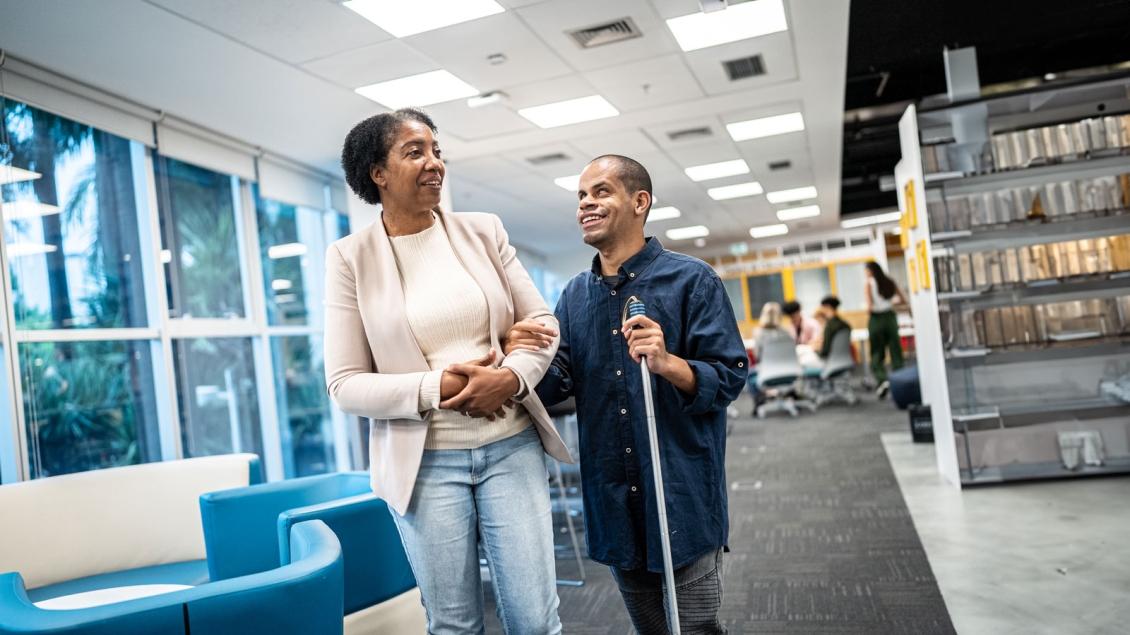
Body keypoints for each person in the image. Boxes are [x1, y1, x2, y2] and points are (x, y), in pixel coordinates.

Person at [324, 107, 571, 635]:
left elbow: (541, 322)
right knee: (454, 625)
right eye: (415, 152)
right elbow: (345, 385)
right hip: (425, 464)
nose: (434, 162)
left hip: (511, 447)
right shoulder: (350, 258)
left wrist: (509, 378)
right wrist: (442, 387)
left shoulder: (483, 231)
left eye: (437, 150)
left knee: (534, 620)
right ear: (378, 173)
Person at [503, 155, 747, 635]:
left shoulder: (692, 280)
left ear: (640, 202)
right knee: (651, 629)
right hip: (614, 496)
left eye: (600, 191)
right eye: (580, 196)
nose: (586, 204)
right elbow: (559, 382)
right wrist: (519, 358)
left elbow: (730, 376)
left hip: (679, 492)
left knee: (696, 628)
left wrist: (668, 362)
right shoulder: (575, 295)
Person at [864, 261, 908, 397]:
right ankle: (899, 380)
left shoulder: (869, 284)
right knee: (895, 349)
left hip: (876, 319)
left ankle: (883, 380)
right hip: (890, 318)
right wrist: (892, 301)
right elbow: (904, 299)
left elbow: (869, 307)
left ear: (871, 270)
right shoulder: (890, 281)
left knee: (877, 351)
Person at [749, 302, 794, 410]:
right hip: (787, 371)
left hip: (767, 372)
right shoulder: (785, 333)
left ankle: (759, 399)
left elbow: (757, 357)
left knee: (749, 374)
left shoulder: (758, 333)